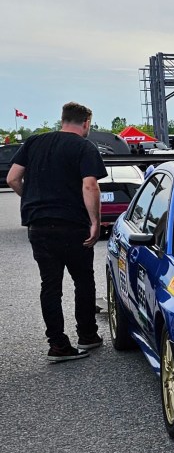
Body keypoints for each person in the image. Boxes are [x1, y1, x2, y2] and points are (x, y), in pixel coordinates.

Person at [6, 102, 107, 363]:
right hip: (72, 225)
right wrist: (95, 222)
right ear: (86, 123)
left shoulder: (34, 142)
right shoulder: (84, 147)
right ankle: (87, 335)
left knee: (50, 285)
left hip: (39, 225)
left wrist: (31, 198)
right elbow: (90, 186)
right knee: (83, 281)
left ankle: (58, 345)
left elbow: (12, 178)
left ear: (62, 120)